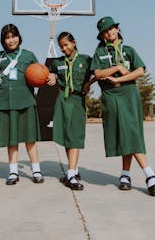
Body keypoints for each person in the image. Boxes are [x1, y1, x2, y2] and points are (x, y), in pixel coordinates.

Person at [90, 16, 155, 196]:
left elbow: (140, 71)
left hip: (129, 95)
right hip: (112, 96)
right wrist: (116, 68)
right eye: (106, 31)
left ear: (117, 29)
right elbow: (98, 73)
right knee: (126, 134)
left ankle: (126, 175)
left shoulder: (129, 50)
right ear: (102, 36)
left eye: (112, 28)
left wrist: (119, 78)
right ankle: (149, 176)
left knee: (131, 133)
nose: (110, 32)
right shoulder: (99, 53)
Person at [0, 24, 44, 185]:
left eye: (14, 36)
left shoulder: (28, 55)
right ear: (3, 40)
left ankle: (36, 170)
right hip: (6, 104)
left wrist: (48, 77)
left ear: (19, 37)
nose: (11, 40)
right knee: (11, 140)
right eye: (7, 37)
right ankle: (13, 172)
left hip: (26, 101)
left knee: (30, 138)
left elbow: (40, 75)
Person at [47, 32, 95, 190]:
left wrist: (90, 83)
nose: (63, 48)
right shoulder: (57, 62)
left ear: (74, 43)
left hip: (77, 99)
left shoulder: (86, 60)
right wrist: (52, 75)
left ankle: (72, 175)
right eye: (61, 46)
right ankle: (73, 171)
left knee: (75, 136)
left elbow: (98, 73)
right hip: (62, 98)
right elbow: (48, 73)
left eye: (66, 44)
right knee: (67, 136)